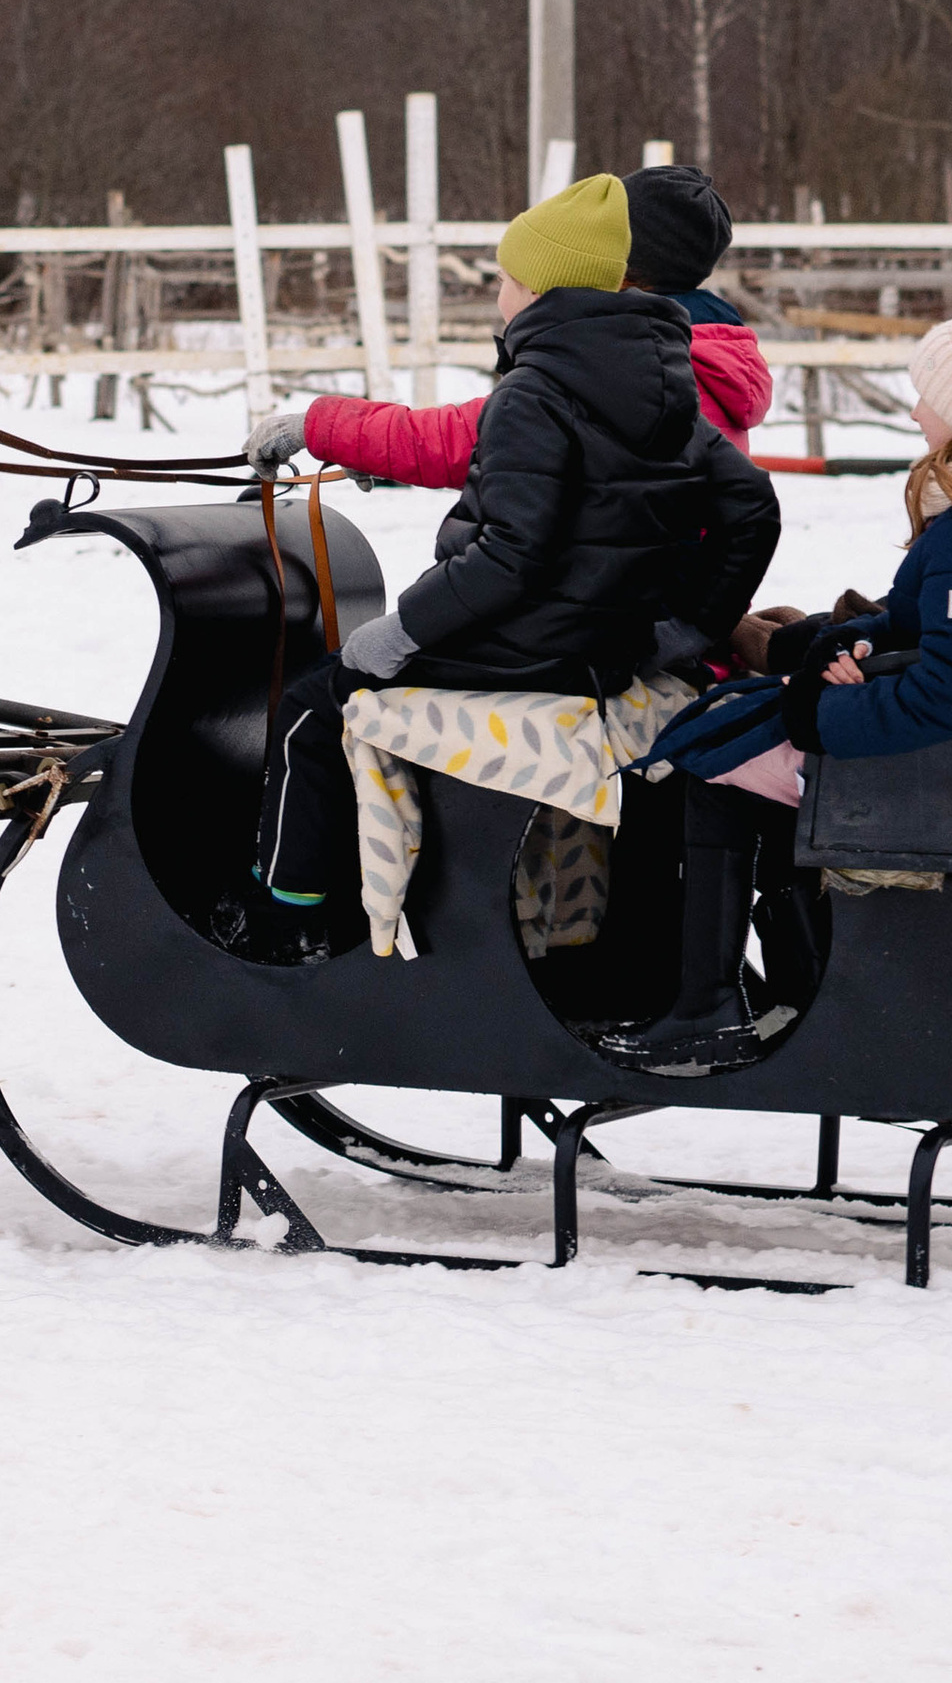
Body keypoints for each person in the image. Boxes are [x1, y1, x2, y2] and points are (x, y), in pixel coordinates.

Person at [219, 171, 781, 964]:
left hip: (536, 643)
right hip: (607, 640)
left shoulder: (541, 389)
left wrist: (402, 630)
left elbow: (510, 554)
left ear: (559, 290)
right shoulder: (669, 377)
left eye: (507, 281)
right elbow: (751, 508)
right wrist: (685, 625)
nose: (497, 297)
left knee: (315, 707)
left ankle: (284, 913)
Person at [602, 320, 952, 1068]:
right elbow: (916, 627)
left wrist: (815, 712)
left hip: (928, 775)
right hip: (922, 753)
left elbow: (939, 694)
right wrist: (840, 646)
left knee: (712, 764)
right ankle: (800, 979)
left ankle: (712, 1007)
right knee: (733, 735)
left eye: (926, 398)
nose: (916, 413)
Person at [247, 163, 770, 485]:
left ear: (617, 267)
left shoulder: (639, 367)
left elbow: (473, 439)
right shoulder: (698, 353)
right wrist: (367, 447)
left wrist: (326, 429)